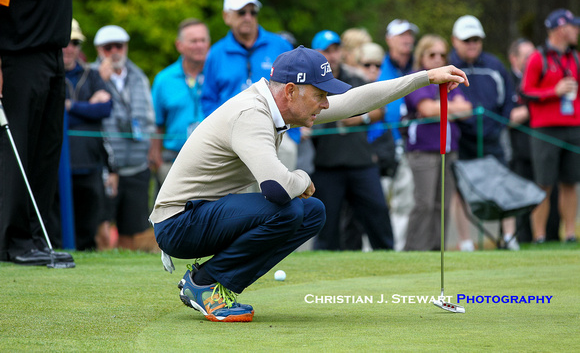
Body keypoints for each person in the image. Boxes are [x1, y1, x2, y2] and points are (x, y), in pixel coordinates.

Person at [150, 45, 468, 322]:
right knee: (287, 210)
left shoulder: (278, 106)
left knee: (311, 211)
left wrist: (424, 77)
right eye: (320, 95)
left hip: (200, 216)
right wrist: (301, 178)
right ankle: (206, 285)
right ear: (290, 91)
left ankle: (213, 284)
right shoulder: (252, 113)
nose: (326, 104)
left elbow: (356, 100)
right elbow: (274, 187)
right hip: (179, 223)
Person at [0, 0, 74, 265]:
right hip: (17, 57)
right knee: (17, 149)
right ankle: (13, 241)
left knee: (45, 151)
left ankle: (33, 239)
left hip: (51, 53)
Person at [201, 0, 299, 171]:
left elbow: (298, 89)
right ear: (226, 16)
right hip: (231, 139)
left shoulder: (280, 45)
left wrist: (295, 133)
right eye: (241, 12)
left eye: (252, 12)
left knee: (283, 194)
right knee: (242, 198)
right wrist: (219, 134)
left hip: (277, 134)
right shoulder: (216, 53)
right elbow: (208, 99)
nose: (248, 17)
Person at [310, 31, 390, 251]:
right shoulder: (308, 83)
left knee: (378, 215)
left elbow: (379, 110)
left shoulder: (356, 78)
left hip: (361, 162)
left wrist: (360, 117)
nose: (332, 55)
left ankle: (389, 258)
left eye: (336, 49)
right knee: (327, 228)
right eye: (326, 50)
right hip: (326, 165)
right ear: (316, 53)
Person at [449, 15, 519, 250]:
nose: (472, 44)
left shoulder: (494, 65)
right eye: (467, 39)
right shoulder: (448, 66)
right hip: (461, 138)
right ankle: (465, 242)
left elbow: (508, 102)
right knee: (460, 191)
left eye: (476, 39)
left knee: (503, 184)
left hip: (492, 136)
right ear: (455, 41)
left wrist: (498, 125)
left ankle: (509, 238)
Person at [403, 35, 472, 251]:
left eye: (442, 55)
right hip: (423, 150)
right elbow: (427, 110)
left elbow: (468, 109)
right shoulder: (416, 78)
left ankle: (436, 250)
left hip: (449, 149)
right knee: (424, 203)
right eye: (432, 54)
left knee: (442, 205)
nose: (437, 59)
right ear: (421, 56)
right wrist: (452, 107)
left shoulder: (449, 79)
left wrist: (442, 107)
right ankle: (414, 250)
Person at [48, 19, 112, 250]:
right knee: (55, 226)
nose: (70, 47)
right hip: (55, 164)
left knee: (88, 226)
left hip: (90, 163)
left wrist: (70, 107)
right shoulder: (49, 74)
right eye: (65, 42)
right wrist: (87, 108)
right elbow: (50, 114)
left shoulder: (91, 74)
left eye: (74, 42)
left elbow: (105, 109)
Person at [92, 25, 157, 251]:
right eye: (107, 47)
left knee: (133, 231)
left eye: (118, 46)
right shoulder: (91, 75)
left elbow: (149, 117)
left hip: (137, 166)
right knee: (101, 227)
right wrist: (99, 80)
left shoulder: (138, 76)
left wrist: (149, 153)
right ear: (99, 50)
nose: (114, 51)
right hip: (105, 169)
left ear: (126, 46)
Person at [521, 9, 580, 244]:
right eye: (573, 26)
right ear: (560, 29)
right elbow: (526, 91)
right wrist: (553, 92)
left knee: (570, 182)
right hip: (545, 129)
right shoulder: (538, 57)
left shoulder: (575, 58)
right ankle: (540, 236)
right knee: (544, 183)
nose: (576, 31)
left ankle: (569, 234)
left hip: (574, 127)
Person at [507, 38, 561, 243]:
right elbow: (508, 117)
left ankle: (551, 237)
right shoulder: (509, 80)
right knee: (523, 201)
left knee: (550, 194)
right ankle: (525, 239)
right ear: (514, 58)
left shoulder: (543, 76)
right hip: (520, 152)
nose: (534, 60)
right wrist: (540, 104)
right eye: (528, 56)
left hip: (546, 147)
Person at [149, 19, 210, 185]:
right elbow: (155, 123)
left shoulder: (218, 76)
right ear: (179, 45)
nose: (199, 45)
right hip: (173, 163)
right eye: (193, 41)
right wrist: (157, 162)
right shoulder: (164, 79)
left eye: (203, 40)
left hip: (213, 162)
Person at [376, 19, 420, 251]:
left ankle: (397, 251)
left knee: (406, 202)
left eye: (409, 35)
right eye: (401, 35)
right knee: (378, 203)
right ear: (389, 39)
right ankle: (373, 251)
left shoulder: (416, 66)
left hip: (409, 145)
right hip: (381, 145)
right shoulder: (378, 66)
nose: (407, 39)